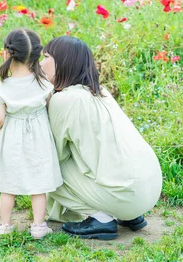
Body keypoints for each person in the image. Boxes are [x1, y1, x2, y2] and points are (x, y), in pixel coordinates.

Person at [40, 36, 162, 240]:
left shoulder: (64, 100)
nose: (41, 64)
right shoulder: (99, 91)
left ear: (62, 62)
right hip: (150, 191)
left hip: (127, 196)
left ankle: (101, 219)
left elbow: (56, 155)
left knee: (45, 167)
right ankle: (128, 215)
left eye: (46, 57)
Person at [0, 28, 62, 240]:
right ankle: (38, 226)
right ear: (36, 55)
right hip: (38, 137)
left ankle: (5, 225)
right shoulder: (44, 83)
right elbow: (48, 107)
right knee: (39, 183)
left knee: (8, 184)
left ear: (7, 53)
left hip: (12, 136)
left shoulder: (3, 86)